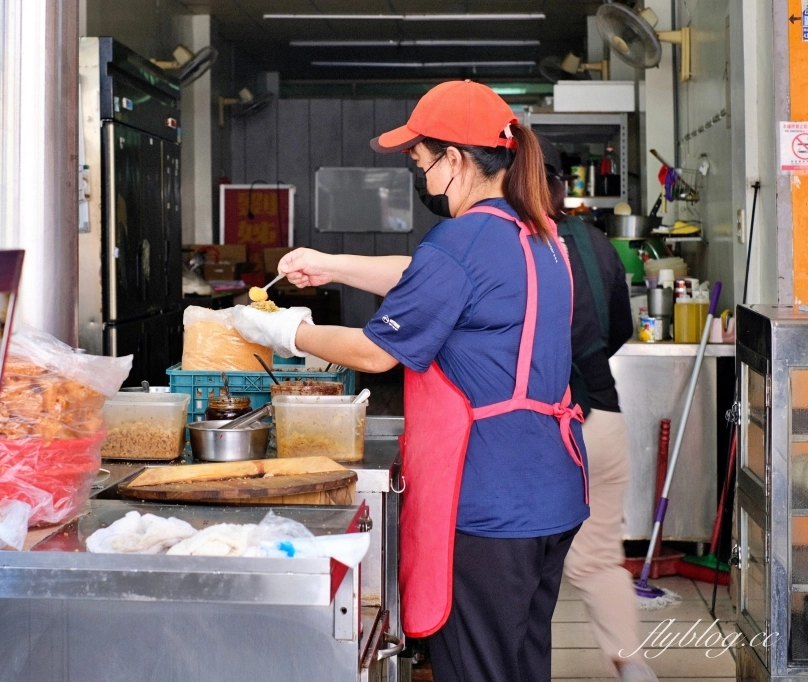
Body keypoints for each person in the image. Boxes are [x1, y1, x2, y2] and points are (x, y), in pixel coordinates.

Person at [232, 80, 589, 682]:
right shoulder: (538, 234)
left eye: (422, 164)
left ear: (454, 160)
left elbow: (374, 353)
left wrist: (288, 332)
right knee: (521, 664)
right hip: (551, 492)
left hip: (487, 501)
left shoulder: (465, 238)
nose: (421, 180)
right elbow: (427, 275)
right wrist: (329, 264)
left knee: (477, 669)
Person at [539, 138, 658, 682]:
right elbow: (619, 329)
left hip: (541, 428)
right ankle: (631, 665)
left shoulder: (508, 245)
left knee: (518, 559)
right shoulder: (595, 243)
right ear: (562, 187)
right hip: (603, 419)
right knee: (597, 559)